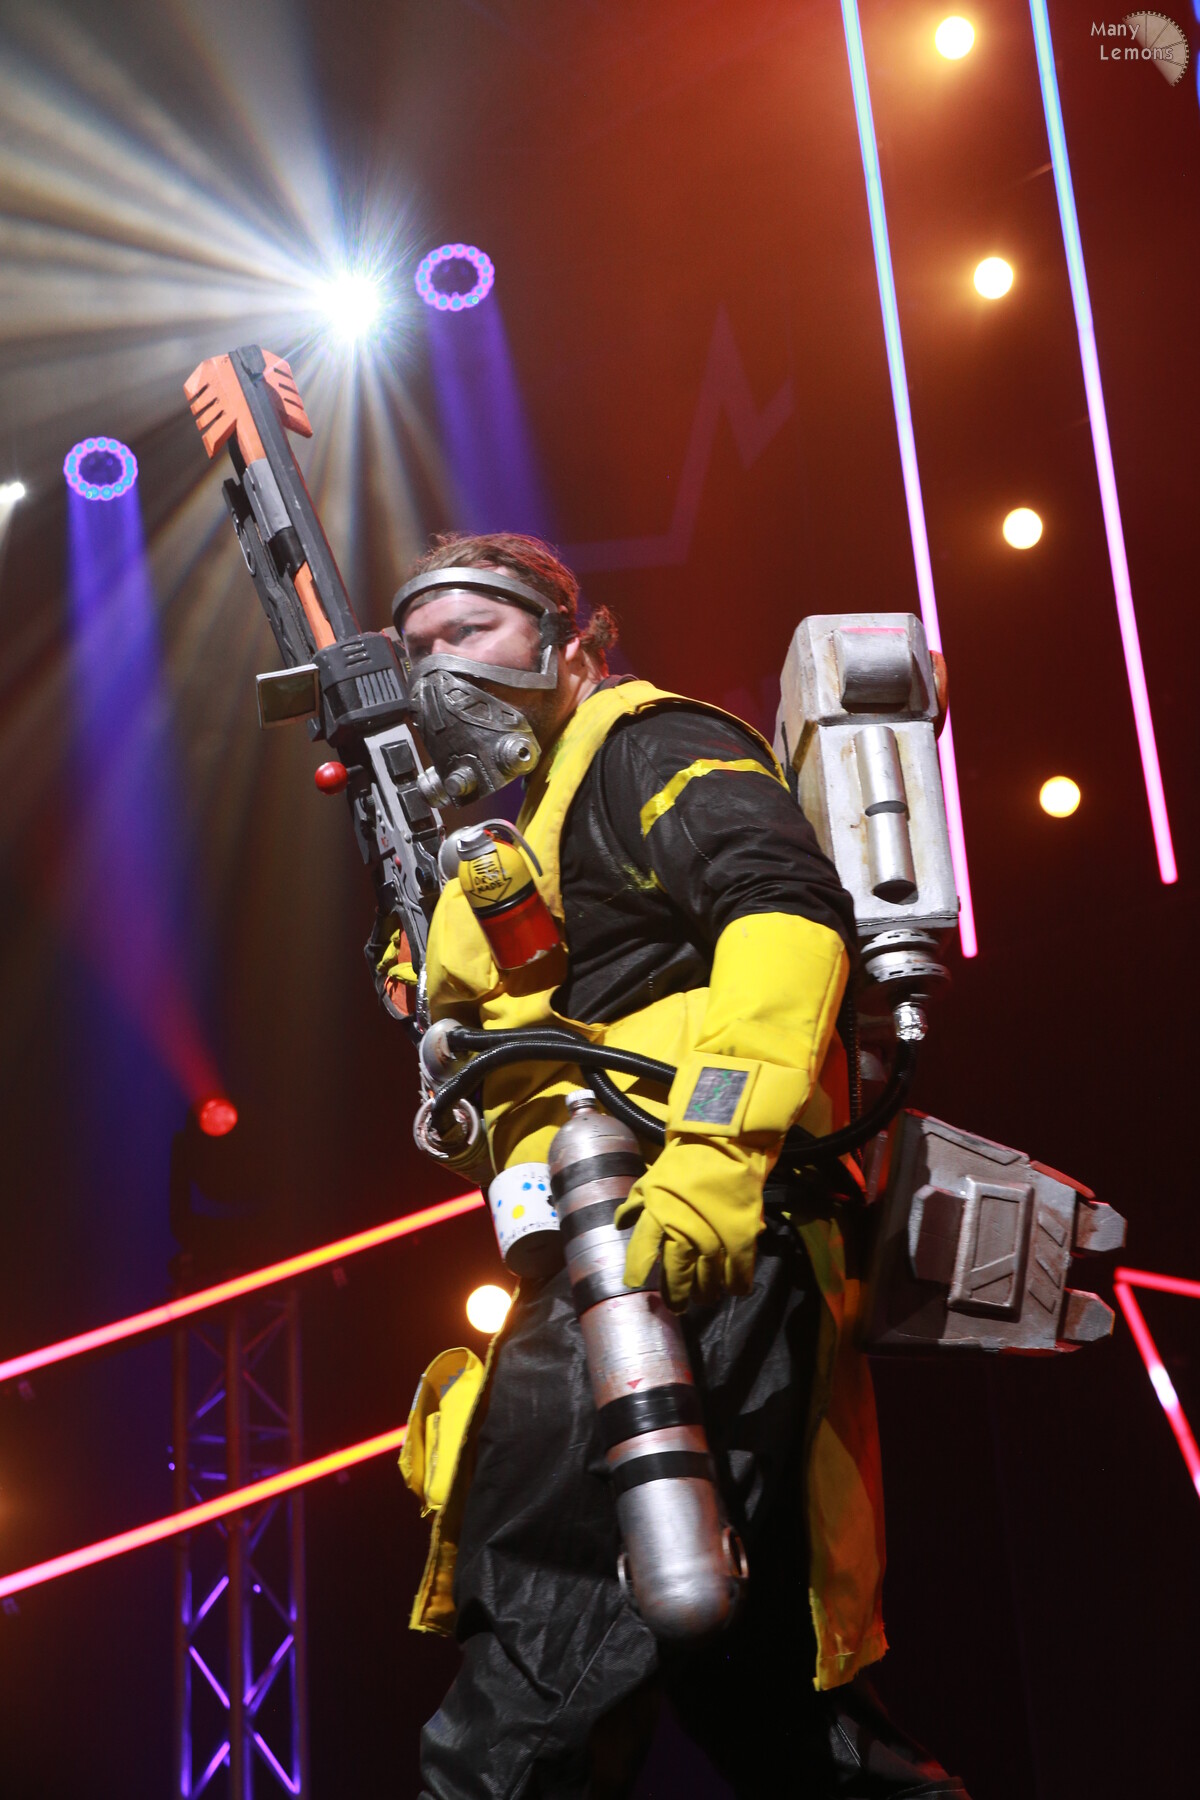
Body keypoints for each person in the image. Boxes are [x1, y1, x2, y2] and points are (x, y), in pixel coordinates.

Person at [386, 532, 969, 1800]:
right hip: (613, 1230)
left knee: (542, 1638)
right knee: (763, 1696)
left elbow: (783, 915)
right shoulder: (520, 822)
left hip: (670, 1225)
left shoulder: (650, 745)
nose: (441, 670)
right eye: (418, 648)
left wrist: (714, 1150)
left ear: (570, 639)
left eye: (470, 632)